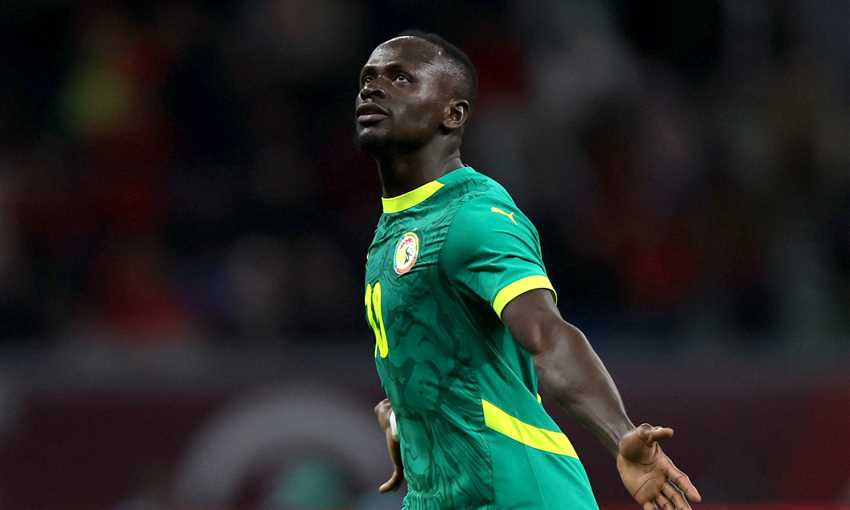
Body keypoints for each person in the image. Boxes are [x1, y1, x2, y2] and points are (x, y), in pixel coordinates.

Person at [356, 30, 702, 510]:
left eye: (400, 78)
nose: (373, 88)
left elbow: (546, 337)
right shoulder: (395, 228)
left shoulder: (473, 215)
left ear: (453, 114)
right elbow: (450, 354)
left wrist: (620, 433)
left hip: (520, 495)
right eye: (368, 79)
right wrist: (408, 414)